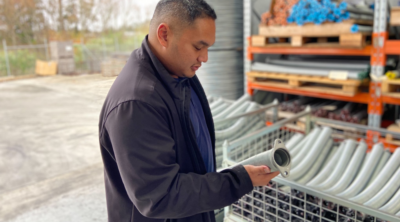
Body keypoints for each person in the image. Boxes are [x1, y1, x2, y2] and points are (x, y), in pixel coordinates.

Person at [98, 0, 279, 221]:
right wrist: (239, 180)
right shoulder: (137, 103)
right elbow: (160, 196)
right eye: (198, 47)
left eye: (208, 48)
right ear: (164, 35)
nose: (204, 58)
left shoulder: (180, 74)